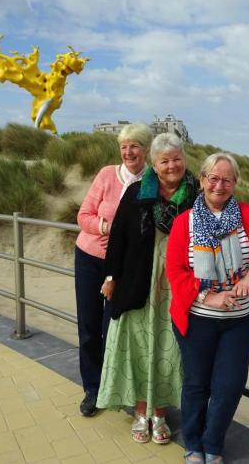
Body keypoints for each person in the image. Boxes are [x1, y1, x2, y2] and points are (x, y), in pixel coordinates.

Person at [166, 153, 249, 464]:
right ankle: (193, 444)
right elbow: (176, 271)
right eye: (213, 178)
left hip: (238, 321)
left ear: (234, 184)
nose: (219, 185)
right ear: (203, 180)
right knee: (197, 383)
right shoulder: (185, 222)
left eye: (227, 179)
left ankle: (213, 444)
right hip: (197, 319)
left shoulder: (247, 215)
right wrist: (208, 297)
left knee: (230, 385)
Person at [96, 133, 199, 444]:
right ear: (154, 164)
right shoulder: (138, 192)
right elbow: (118, 237)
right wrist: (111, 276)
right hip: (137, 281)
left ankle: (161, 413)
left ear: (184, 159)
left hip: (177, 283)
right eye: (164, 160)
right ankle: (141, 412)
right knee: (139, 346)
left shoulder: (196, 194)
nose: (171, 165)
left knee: (170, 348)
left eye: (176, 158)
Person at [74, 123, 153, 417]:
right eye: (124, 146)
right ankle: (93, 389)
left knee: (116, 329)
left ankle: (116, 388)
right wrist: (108, 228)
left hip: (124, 268)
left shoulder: (151, 181)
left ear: (145, 149)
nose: (128, 152)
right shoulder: (107, 175)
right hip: (90, 258)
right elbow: (83, 215)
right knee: (89, 327)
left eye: (134, 146)